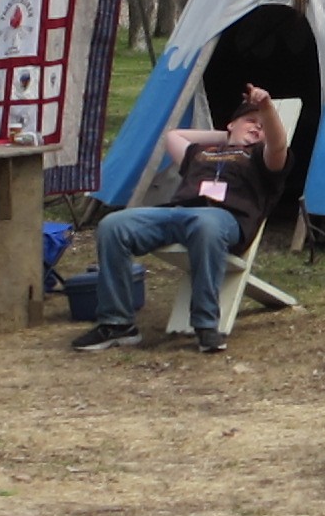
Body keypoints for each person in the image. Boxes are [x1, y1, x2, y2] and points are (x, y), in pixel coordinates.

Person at [73, 85, 288, 355]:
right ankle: (117, 323)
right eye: (250, 121)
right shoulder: (202, 153)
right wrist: (228, 136)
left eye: (263, 126)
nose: (257, 127)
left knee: (205, 224)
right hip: (178, 213)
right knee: (113, 225)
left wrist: (266, 109)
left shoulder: (262, 159)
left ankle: (205, 324)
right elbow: (173, 136)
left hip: (223, 219)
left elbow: (278, 144)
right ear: (231, 124)